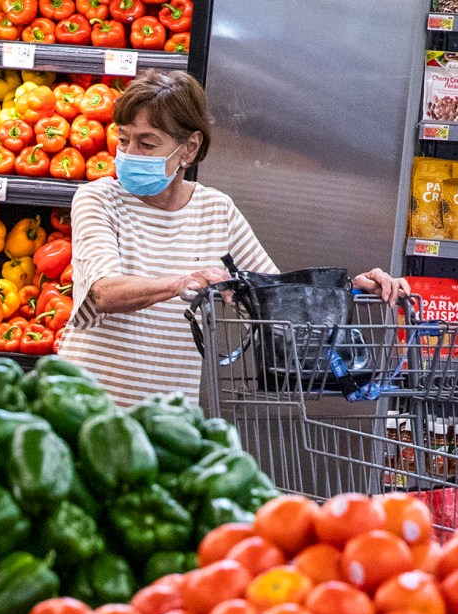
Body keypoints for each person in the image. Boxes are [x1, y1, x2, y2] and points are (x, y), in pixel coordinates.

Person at [54, 71, 405, 408]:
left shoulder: (216, 210)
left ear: (189, 149)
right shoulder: (98, 199)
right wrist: (182, 283)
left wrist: (350, 290)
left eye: (147, 144)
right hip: (84, 409)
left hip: (168, 421)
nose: (129, 154)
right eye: (124, 139)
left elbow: (277, 301)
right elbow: (104, 292)